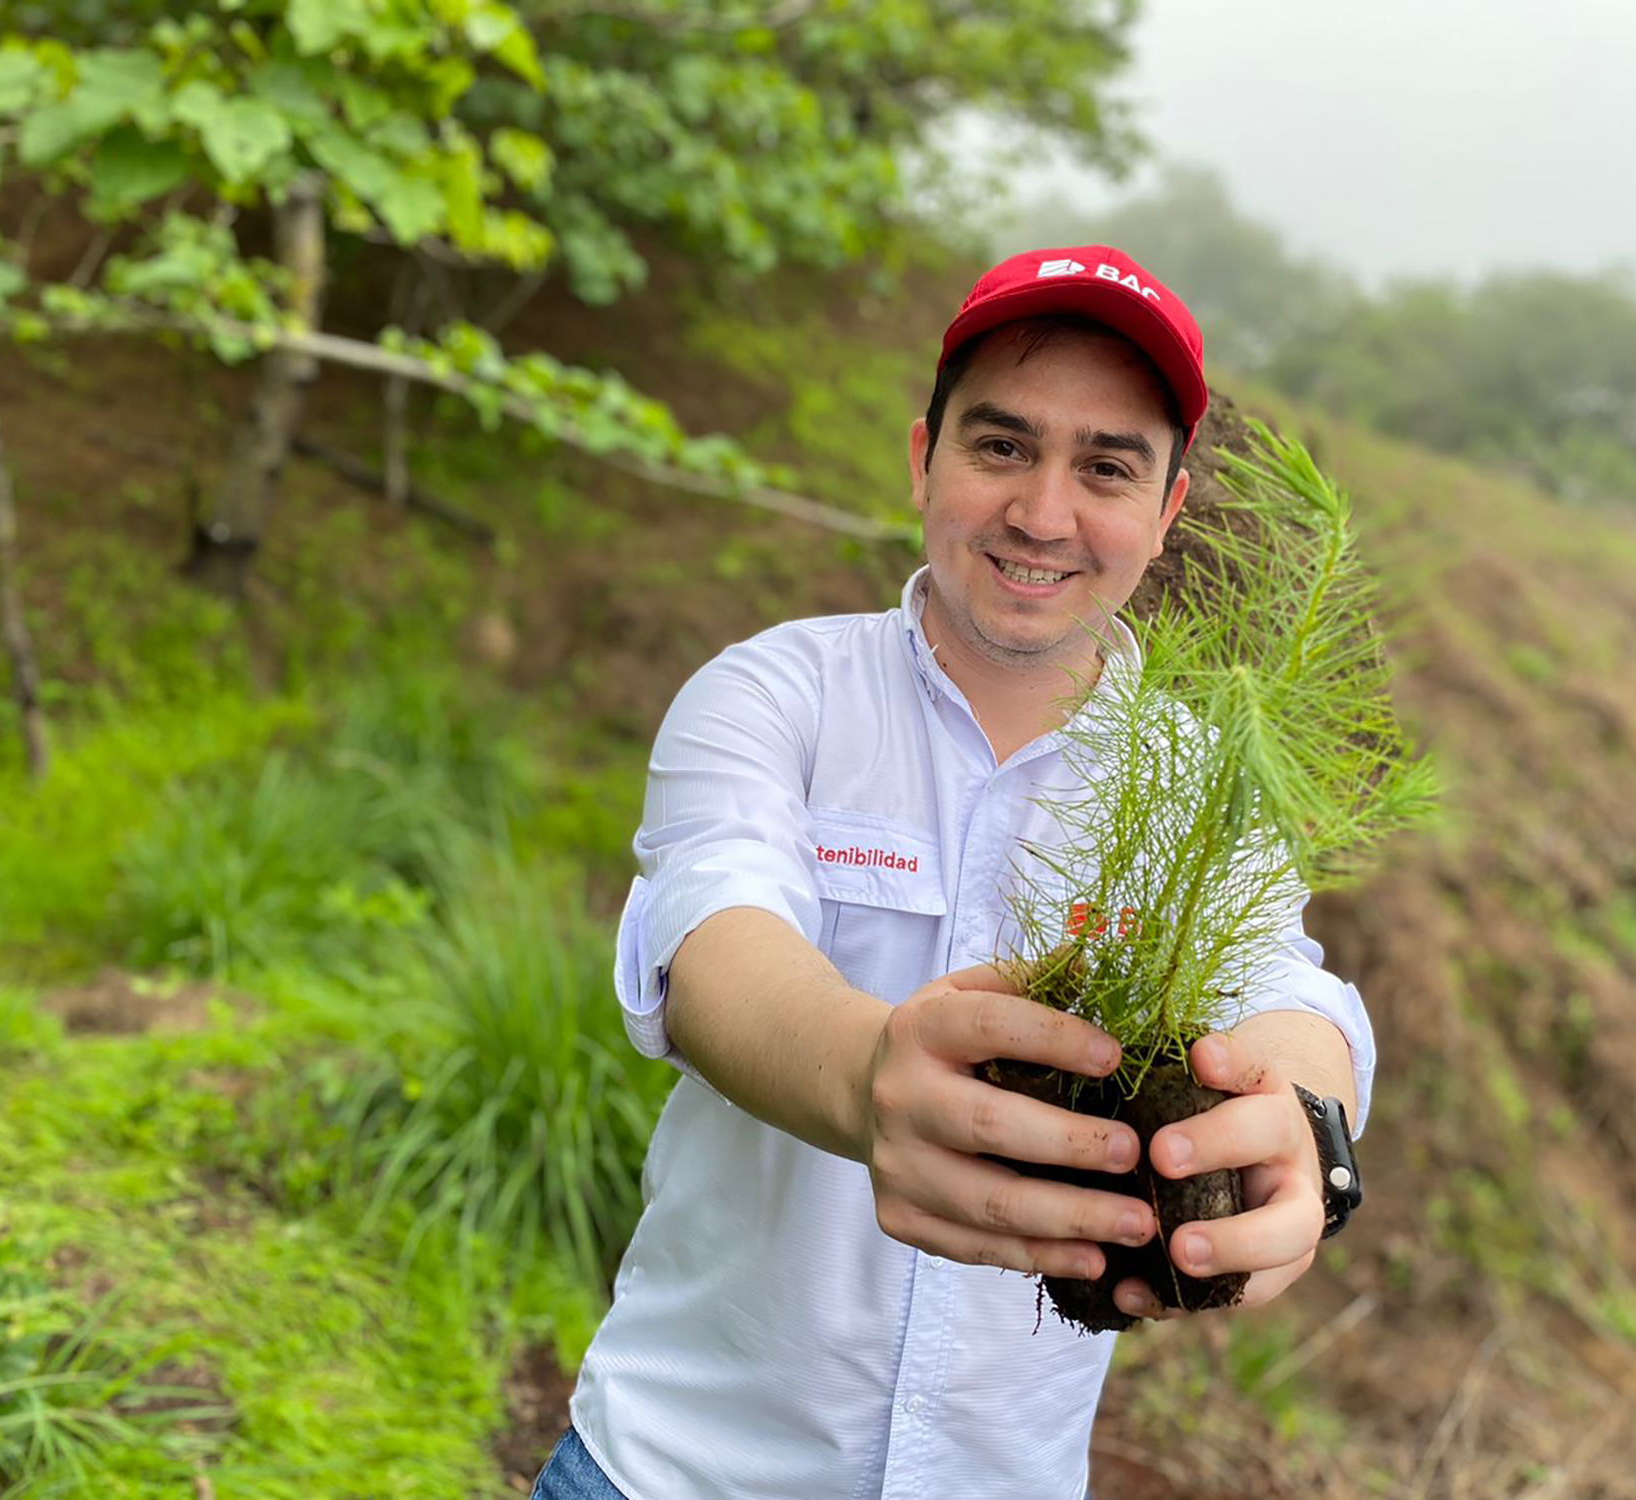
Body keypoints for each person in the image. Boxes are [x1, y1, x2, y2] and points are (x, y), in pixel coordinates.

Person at [532, 246, 1377, 1500]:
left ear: (1168, 510)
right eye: (1001, 447)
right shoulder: (775, 695)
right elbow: (714, 938)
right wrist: (877, 1074)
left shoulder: (1205, 785)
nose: (1042, 512)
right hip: (673, 1471)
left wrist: (1305, 1129)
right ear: (923, 457)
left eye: (1105, 466)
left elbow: (1283, 988)